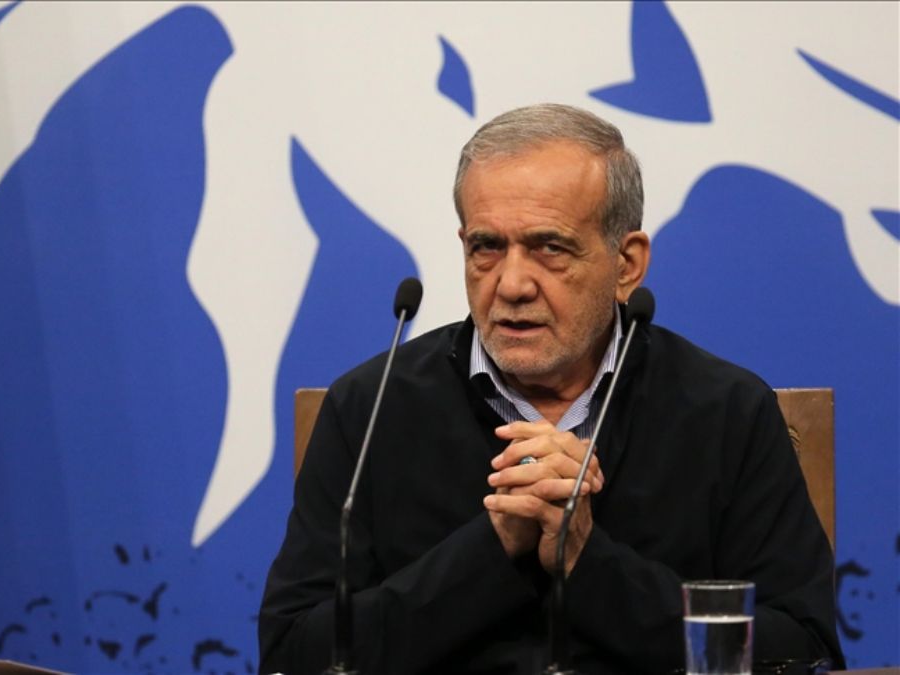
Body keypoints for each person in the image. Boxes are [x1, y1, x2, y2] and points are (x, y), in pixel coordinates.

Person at [258, 104, 843, 674]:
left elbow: (800, 645)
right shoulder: (371, 408)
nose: (512, 284)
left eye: (550, 248)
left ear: (627, 264)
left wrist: (587, 557)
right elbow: (293, 653)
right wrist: (494, 543)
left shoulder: (726, 412)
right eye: (487, 247)